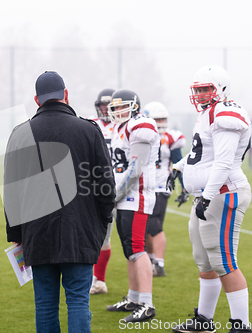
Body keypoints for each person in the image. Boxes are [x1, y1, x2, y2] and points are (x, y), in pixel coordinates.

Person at [5, 71, 115, 333]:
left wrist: (16, 234)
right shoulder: (89, 129)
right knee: (78, 300)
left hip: (37, 231)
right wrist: (101, 223)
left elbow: (11, 192)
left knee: (45, 303)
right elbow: (105, 185)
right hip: (80, 229)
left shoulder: (20, 133)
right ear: (66, 95)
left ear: (36, 100)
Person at [169, 65, 252, 333]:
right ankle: (204, 320)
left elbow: (224, 162)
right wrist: (179, 167)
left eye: (206, 89)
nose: (201, 94)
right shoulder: (207, 114)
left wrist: (206, 196)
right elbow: (200, 154)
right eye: (198, 90)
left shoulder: (225, 113)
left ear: (221, 89)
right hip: (207, 196)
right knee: (204, 260)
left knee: (223, 261)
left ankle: (242, 325)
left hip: (224, 193)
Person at [105, 89, 159, 322]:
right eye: (114, 107)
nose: (117, 110)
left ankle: (146, 304)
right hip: (124, 196)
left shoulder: (141, 125)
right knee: (129, 249)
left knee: (137, 248)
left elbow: (135, 170)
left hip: (136, 195)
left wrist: (115, 194)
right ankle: (134, 297)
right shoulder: (120, 128)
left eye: (121, 106)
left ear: (134, 106)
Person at [141, 101, 187, 277]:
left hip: (161, 186)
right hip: (144, 186)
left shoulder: (170, 138)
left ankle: (158, 263)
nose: (160, 123)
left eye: (162, 119)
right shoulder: (141, 135)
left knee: (155, 224)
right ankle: (150, 260)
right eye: (156, 119)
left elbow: (178, 164)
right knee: (144, 226)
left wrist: (184, 187)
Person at [89, 88, 115, 294]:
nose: (106, 109)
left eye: (110, 105)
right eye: (103, 105)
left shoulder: (125, 126)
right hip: (90, 185)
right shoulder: (91, 124)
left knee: (106, 236)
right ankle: (94, 279)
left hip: (116, 186)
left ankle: (100, 280)